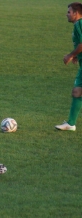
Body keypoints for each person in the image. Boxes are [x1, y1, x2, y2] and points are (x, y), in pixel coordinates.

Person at [55, 2, 82, 131]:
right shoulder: (78, 24)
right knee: (77, 92)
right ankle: (71, 124)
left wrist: (70, 55)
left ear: (76, 13)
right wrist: (77, 55)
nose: (67, 14)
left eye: (69, 12)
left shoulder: (79, 24)